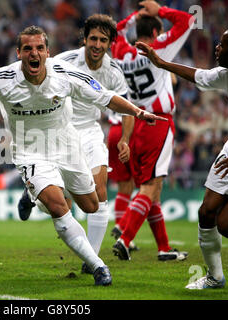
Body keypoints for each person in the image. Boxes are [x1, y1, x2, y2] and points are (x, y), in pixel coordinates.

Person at [0, 25, 166, 286]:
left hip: (66, 144)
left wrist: (138, 113)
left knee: (91, 205)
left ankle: (34, 196)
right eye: (27, 49)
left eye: (39, 48)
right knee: (59, 206)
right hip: (29, 151)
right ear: (18, 53)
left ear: (48, 52)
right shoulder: (1, 78)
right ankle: (97, 266)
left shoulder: (66, 74)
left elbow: (106, 97)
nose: (33, 53)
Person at [136, 26, 228, 289]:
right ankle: (215, 277)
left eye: (222, 44)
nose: (216, 48)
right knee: (206, 212)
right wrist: (161, 63)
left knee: (227, 224)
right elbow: (199, 76)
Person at [110, 0, 193, 261]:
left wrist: (135, 16)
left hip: (135, 124)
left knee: (153, 191)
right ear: (156, 33)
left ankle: (164, 248)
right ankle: (125, 238)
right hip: (158, 122)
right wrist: (160, 11)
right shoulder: (158, 47)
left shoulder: (122, 52)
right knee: (150, 187)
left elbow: (115, 31)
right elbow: (187, 20)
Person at [53, 14, 134, 274]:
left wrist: (124, 139)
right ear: (84, 39)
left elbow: (127, 109)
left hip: (89, 131)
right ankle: (31, 194)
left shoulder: (113, 71)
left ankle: (93, 260)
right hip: (61, 132)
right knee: (56, 198)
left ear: (110, 43)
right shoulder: (63, 61)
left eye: (103, 40)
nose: (97, 44)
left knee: (100, 193)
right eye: (93, 39)